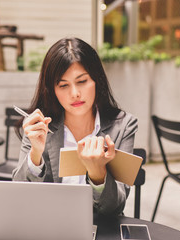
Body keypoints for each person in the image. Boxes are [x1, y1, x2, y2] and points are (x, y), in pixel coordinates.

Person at [12, 37, 138, 216]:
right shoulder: (39, 125)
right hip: (51, 227)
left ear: (97, 80)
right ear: (52, 90)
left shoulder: (123, 126)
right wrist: (36, 155)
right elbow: (19, 198)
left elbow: (116, 207)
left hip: (101, 230)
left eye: (82, 81)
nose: (75, 94)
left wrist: (97, 173)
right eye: (63, 85)